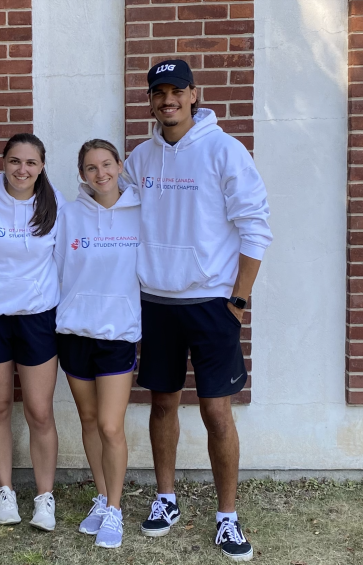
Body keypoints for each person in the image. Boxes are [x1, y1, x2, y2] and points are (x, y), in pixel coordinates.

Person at [124, 59, 272, 562]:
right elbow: (117, 219)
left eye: (177, 90)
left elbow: (255, 225)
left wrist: (238, 300)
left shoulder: (225, 151)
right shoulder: (139, 158)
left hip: (211, 304)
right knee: (163, 404)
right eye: (158, 91)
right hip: (157, 303)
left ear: (193, 95)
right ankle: (166, 499)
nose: (168, 99)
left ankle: (227, 517)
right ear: (150, 100)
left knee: (216, 410)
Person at [0, 133, 63, 532]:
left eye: (31, 163)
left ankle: (44, 497)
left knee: (40, 410)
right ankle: (5, 491)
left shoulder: (54, 207)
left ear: (41, 166)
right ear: (3, 162)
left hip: (38, 317)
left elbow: (65, 261)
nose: (22, 170)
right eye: (14, 161)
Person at [55, 139, 141, 549]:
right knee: (89, 422)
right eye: (91, 167)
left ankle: (116, 509)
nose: (100, 173)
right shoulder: (69, 215)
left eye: (107, 164)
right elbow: (54, 269)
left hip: (118, 334)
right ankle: (102, 497)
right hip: (74, 333)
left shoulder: (141, 211)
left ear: (120, 165)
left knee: (110, 425)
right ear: (81, 174)